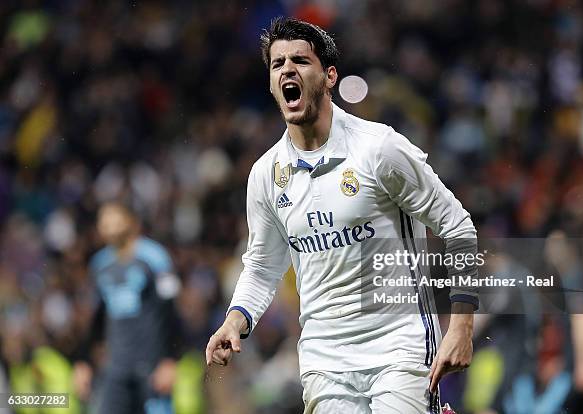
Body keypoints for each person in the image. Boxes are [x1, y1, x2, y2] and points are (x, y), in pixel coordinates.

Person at [205, 17, 477, 413]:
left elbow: (458, 226)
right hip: (324, 360)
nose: (287, 70)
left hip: (399, 347)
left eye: (300, 60)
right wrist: (235, 321)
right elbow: (263, 265)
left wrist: (462, 324)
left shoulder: (378, 149)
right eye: (277, 64)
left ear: (329, 75)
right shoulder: (266, 174)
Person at [74, 201, 181, 414]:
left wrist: (169, 359)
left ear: (131, 221)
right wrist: (84, 361)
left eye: (113, 216)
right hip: (117, 366)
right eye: (103, 219)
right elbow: (96, 318)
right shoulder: (100, 264)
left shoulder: (155, 257)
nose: (107, 223)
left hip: (151, 364)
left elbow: (170, 311)